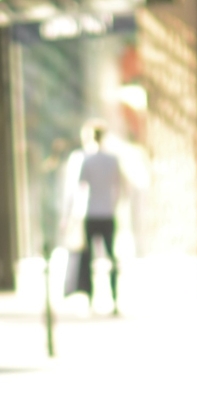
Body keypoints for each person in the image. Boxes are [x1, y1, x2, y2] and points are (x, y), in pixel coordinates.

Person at [63, 122, 124, 312]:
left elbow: (77, 189)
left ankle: (91, 301)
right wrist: (114, 206)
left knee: (89, 259)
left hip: (91, 214)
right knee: (110, 257)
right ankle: (114, 300)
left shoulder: (86, 159)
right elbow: (120, 187)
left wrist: (68, 216)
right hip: (107, 213)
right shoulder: (111, 160)